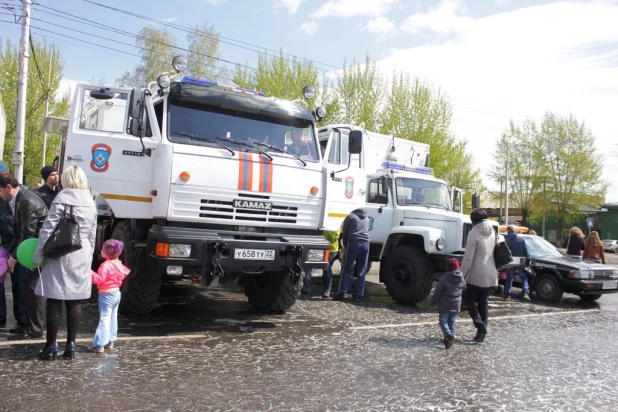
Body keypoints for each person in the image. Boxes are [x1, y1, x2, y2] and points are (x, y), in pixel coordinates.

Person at [32, 165, 97, 359]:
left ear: (67, 179)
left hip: (60, 251)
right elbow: (92, 233)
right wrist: (89, 255)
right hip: (82, 250)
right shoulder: (90, 200)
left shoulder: (63, 197)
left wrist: (39, 253)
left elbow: (48, 227)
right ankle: (71, 345)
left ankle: (51, 345)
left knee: (54, 299)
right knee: (74, 301)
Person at [0, 173, 48, 341]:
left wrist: (13, 258)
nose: (0, 195)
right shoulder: (21, 199)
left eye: (0, 191)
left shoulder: (27, 201)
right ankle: (27, 325)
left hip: (37, 250)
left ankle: (35, 329)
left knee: (35, 289)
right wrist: (9, 254)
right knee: (28, 288)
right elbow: (18, 233)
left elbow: (27, 234)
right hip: (32, 250)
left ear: (8, 187)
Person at [461, 208, 497, 343]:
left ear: (473, 219)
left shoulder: (474, 233)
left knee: (469, 299)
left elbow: (468, 258)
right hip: (491, 272)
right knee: (483, 302)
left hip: (477, 273)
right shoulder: (492, 231)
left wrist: (461, 275)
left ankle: (480, 325)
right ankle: (481, 333)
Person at [88, 239, 131, 353]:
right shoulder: (119, 264)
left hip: (106, 294)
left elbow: (99, 280)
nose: (101, 250)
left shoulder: (105, 265)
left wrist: (89, 272)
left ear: (108, 252)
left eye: (103, 249)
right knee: (113, 318)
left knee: (104, 318)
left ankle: (99, 344)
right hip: (116, 293)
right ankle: (111, 340)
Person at [0, 161, 25, 330]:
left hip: (19, 244)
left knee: (20, 281)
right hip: (5, 244)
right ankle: (1, 316)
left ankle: (22, 318)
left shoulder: (21, 196)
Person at [334, 208, 369, 302]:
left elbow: (345, 232)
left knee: (346, 267)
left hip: (353, 242)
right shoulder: (367, 218)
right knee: (362, 269)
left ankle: (343, 292)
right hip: (366, 243)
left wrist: (344, 244)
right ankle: (358, 295)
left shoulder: (350, 216)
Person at [430, 258, 466, 349]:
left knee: (443, 321)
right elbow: (464, 287)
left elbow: (437, 293)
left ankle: (448, 334)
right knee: (452, 321)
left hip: (445, 305)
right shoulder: (461, 279)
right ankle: (450, 339)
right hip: (456, 305)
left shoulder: (444, 279)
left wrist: (432, 302)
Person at [504, 225, 531, 301]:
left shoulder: (506, 240)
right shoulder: (521, 239)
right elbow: (525, 250)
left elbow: (504, 251)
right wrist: (528, 259)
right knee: (523, 277)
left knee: (510, 278)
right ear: (515, 231)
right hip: (520, 261)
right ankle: (525, 292)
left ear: (508, 231)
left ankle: (508, 294)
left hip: (510, 261)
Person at [321, 229, 341, 298]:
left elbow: (334, 238)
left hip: (332, 250)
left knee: (327, 268)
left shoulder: (336, 225)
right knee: (324, 268)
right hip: (323, 247)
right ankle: (325, 287)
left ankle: (328, 289)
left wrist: (328, 231)